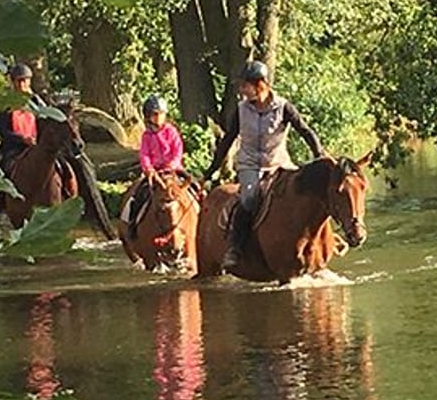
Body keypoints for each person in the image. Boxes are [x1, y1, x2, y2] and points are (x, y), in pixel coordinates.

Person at [203, 60, 325, 270]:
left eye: (245, 85)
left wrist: (319, 154)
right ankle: (235, 247)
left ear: (260, 84)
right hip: (250, 166)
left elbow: (305, 130)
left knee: (307, 194)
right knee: (249, 199)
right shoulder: (241, 110)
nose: (242, 90)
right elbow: (228, 139)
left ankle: (325, 242)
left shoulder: (284, 107)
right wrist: (211, 170)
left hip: (280, 163)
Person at [124, 95, 188, 228]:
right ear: (148, 117)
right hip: (155, 173)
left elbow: (178, 150)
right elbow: (144, 154)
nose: (158, 117)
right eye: (154, 114)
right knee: (138, 195)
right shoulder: (146, 136)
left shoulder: (172, 132)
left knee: (196, 188)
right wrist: (148, 168)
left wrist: (173, 164)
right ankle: (131, 223)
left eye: (161, 114)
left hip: (174, 170)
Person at [0, 62, 45, 213]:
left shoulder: (37, 102)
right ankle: (0, 203)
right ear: (13, 82)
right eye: (19, 81)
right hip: (15, 148)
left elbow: (47, 118)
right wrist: (22, 139)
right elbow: (3, 130)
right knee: (3, 169)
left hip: (38, 145)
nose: (22, 84)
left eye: (25, 80)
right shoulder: (6, 104)